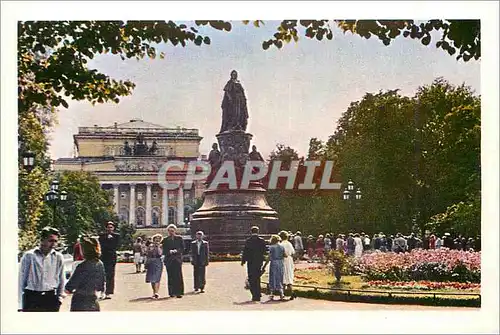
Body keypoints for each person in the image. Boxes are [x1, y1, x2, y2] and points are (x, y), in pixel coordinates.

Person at [18, 226, 65, 312]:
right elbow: (21, 280)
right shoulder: (29, 256)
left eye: (55, 241)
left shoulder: (58, 257)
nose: (53, 244)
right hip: (32, 297)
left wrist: (60, 298)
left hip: (50, 297)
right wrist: (20, 304)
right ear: (42, 240)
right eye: (50, 241)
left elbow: (61, 279)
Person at [64, 236, 106, 311]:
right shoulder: (100, 264)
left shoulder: (82, 266)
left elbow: (69, 287)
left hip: (80, 300)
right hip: (93, 299)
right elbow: (101, 285)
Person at [241, 226, 267, 302]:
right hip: (258, 262)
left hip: (251, 262)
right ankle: (258, 294)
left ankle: (254, 295)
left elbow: (245, 251)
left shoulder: (248, 241)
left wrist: (243, 261)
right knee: (257, 277)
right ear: (258, 231)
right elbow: (264, 251)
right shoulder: (261, 240)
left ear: (251, 232)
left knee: (251, 278)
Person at [98, 221, 120, 299]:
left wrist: (110, 240)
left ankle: (108, 292)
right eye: (108, 227)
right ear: (106, 228)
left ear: (113, 228)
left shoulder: (116, 236)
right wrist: (107, 239)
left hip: (111, 257)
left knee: (110, 275)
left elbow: (116, 246)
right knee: (102, 274)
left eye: (111, 227)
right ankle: (101, 291)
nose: (109, 229)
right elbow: (101, 245)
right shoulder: (102, 236)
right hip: (103, 257)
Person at [162, 224, 184, 298]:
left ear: (175, 231)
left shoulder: (179, 238)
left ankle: (179, 292)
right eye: (170, 231)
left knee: (178, 276)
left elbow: (183, 248)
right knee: (170, 276)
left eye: (172, 231)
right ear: (168, 231)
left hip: (177, 259)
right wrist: (169, 252)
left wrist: (176, 251)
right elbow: (163, 250)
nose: (171, 232)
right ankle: (171, 292)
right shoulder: (165, 240)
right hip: (169, 260)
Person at [279, 231, 296, 300]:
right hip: (289, 260)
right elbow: (293, 252)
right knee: (289, 275)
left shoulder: (281, 244)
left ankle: (282, 294)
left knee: (283, 276)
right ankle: (291, 292)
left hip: (283, 260)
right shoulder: (289, 243)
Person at [145, 234, 163, 299]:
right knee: (152, 278)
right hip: (151, 261)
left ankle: (156, 292)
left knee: (157, 277)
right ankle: (154, 291)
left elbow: (160, 253)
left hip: (158, 261)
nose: (157, 240)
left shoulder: (161, 246)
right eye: (156, 238)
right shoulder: (150, 246)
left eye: (159, 238)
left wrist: (158, 247)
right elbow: (147, 253)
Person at [268, 235, 285, 300]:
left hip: (274, 262)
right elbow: (285, 255)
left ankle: (272, 293)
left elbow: (269, 257)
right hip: (280, 263)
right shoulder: (282, 247)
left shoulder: (271, 247)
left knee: (273, 277)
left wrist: (264, 266)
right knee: (280, 277)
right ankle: (281, 293)